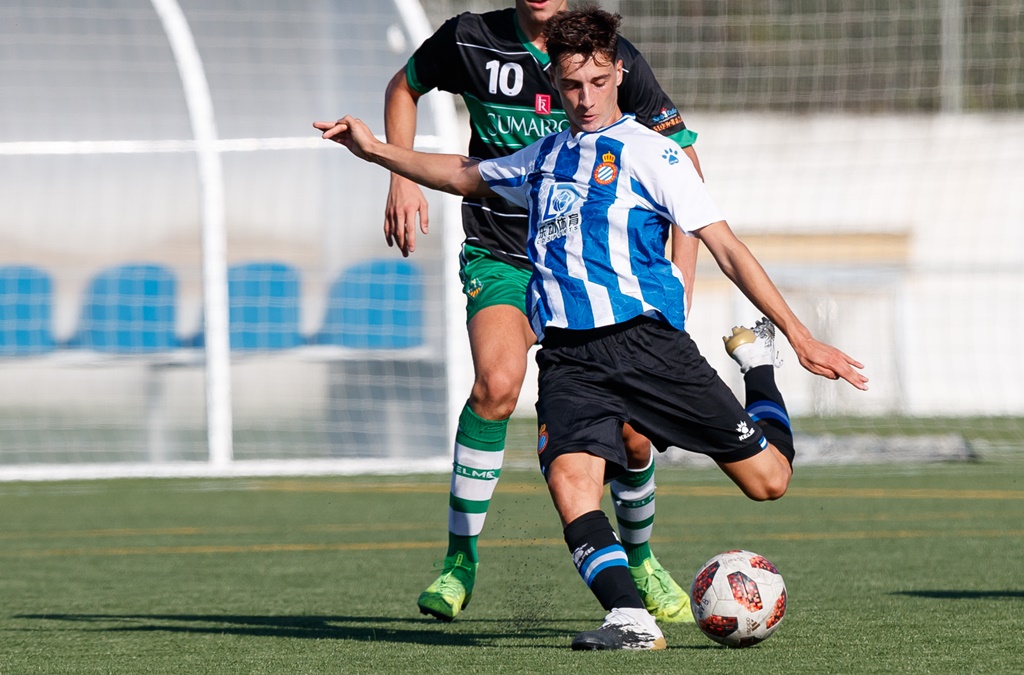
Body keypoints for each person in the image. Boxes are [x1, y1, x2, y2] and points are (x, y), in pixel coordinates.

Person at [316, 5, 867, 650]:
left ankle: (759, 365)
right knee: (570, 481)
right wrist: (377, 152)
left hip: (646, 346)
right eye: (572, 86)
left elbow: (727, 247)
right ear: (556, 83)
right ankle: (629, 618)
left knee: (769, 481)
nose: (585, 99)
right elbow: (462, 175)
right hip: (570, 359)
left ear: (617, 74)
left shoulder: (653, 153)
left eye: (597, 83)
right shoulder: (541, 156)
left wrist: (800, 339)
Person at [383, 0, 702, 624]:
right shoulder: (471, 37)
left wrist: (679, 278)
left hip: (590, 269)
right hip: (501, 250)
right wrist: (401, 175)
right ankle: (459, 560)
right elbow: (403, 86)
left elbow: (682, 157)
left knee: (634, 432)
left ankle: (639, 558)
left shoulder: (609, 59)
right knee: (497, 385)